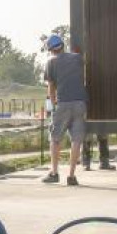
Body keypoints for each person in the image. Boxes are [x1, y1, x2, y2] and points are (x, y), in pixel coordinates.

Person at [42, 34, 88, 185]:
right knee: (76, 140)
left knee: (55, 138)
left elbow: (51, 88)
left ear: (50, 50)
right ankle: (72, 176)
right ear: (62, 45)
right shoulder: (77, 58)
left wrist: (53, 105)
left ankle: (54, 173)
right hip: (80, 103)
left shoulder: (51, 62)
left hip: (63, 103)